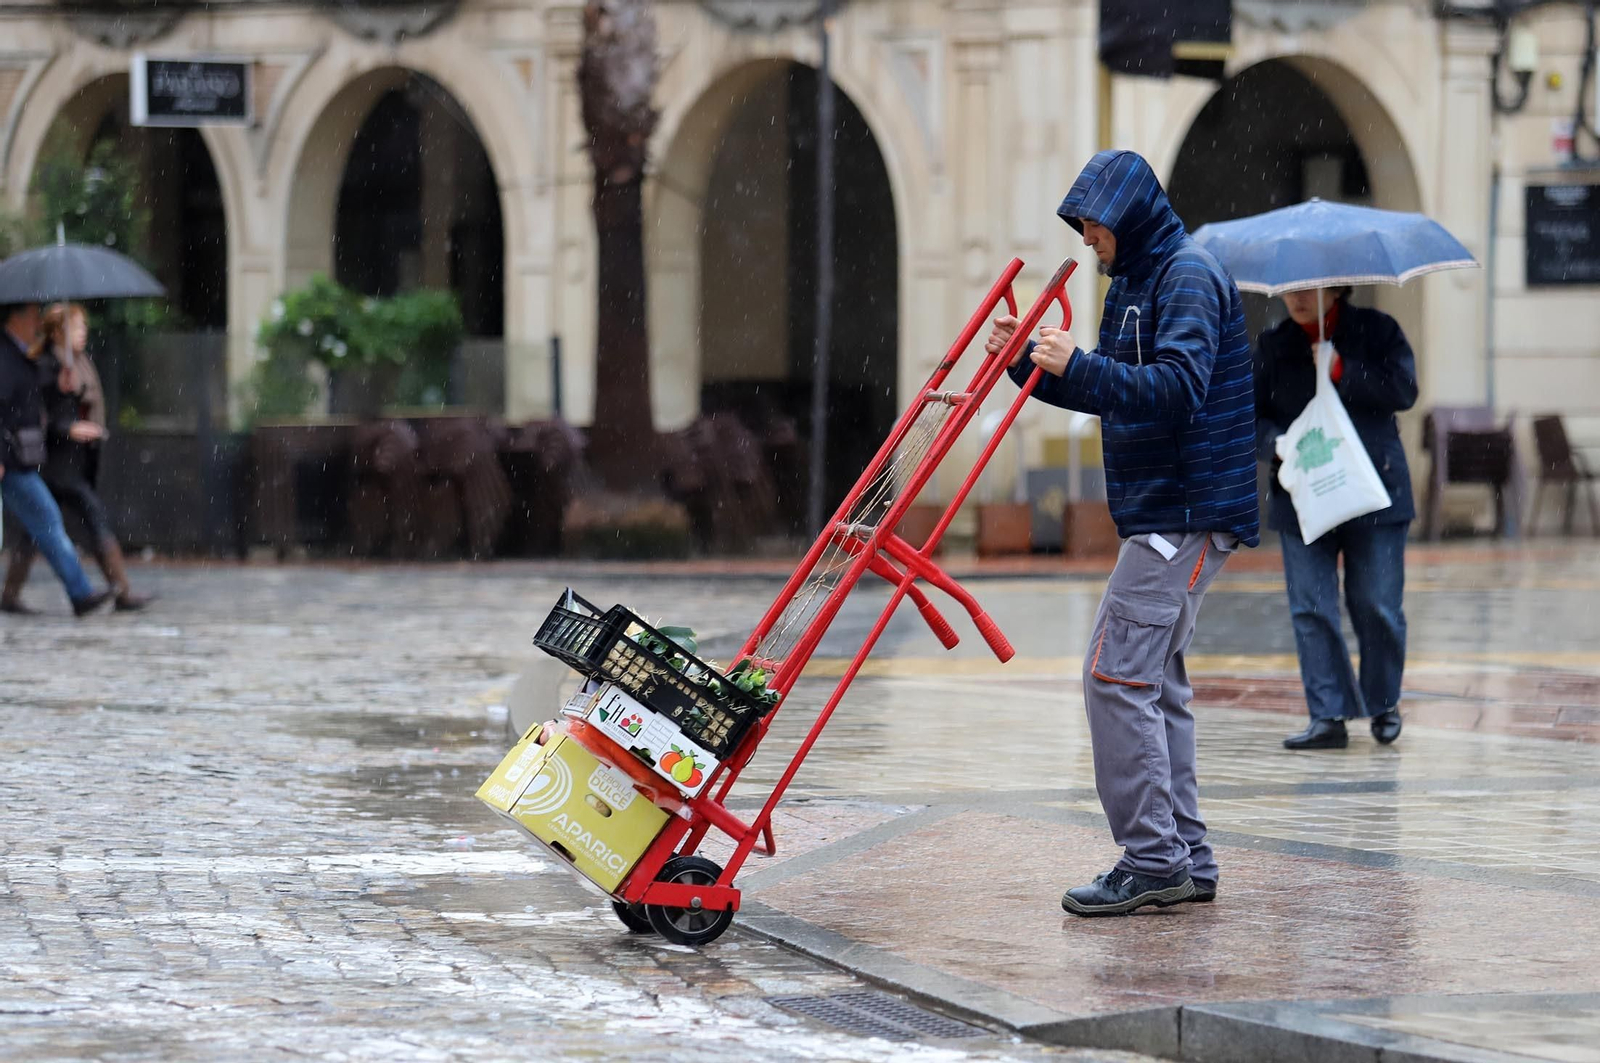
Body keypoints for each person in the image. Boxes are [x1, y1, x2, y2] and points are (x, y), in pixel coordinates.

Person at [986, 150, 1258, 917]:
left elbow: (1176, 389)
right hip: (1165, 511)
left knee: (1114, 676)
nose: (1086, 240)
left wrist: (1081, 363)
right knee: (1154, 681)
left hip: (1184, 511)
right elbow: (1111, 385)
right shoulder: (1138, 282)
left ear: (1129, 215)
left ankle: (1152, 858)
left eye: (1093, 225)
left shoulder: (1189, 276)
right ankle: (1185, 859)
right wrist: (1025, 364)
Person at [1254, 287, 1417, 750]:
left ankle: (1383, 701)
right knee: (1311, 606)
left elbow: (1404, 389)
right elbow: (1250, 416)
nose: (1297, 298)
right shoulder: (1273, 345)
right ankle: (1328, 714)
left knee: (1377, 604)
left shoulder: (1377, 330)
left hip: (1374, 491)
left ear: (1336, 288)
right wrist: (1278, 444)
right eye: (1290, 291)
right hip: (1303, 495)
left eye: (1308, 290)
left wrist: (1345, 370)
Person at [2, 303, 150, 613]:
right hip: (36, 461)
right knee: (54, 522)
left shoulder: (58, 362)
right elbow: (28, 408)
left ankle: (26, 594)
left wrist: (63, 389)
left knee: (41, 526)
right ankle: (88, 593)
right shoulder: (26, 359)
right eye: (76, 328)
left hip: (39, 459)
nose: (36, 323)